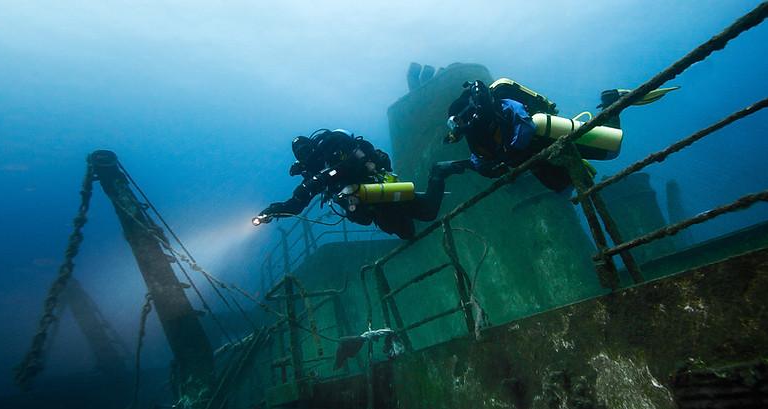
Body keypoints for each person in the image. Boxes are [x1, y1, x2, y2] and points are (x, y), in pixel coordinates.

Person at [440, 79, 678, 193]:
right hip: (537, 158)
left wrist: (507, 156)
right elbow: (478, 159)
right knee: (564, 189)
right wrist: (480, 167)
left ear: (466, 112)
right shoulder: (474, 137)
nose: (457, 128)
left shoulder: (501, 106)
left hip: (547, 140)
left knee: (612, 150)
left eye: (456, 121)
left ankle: (613, 104)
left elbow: (525, 125)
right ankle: (580, 174)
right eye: (454, 125)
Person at [254, 129, 461, 240]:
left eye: (307, 150)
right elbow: (296, 205)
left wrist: (324, 177)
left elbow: (355, 161)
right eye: (300, 155)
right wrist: (273, 211)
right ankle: (405, 212)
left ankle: (438, 172)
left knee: (428, 212)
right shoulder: (313, 176)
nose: (306, 156)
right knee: (407, 234)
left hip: (376, 190)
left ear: (313, 145)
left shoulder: (333, 148)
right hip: (367, 209)